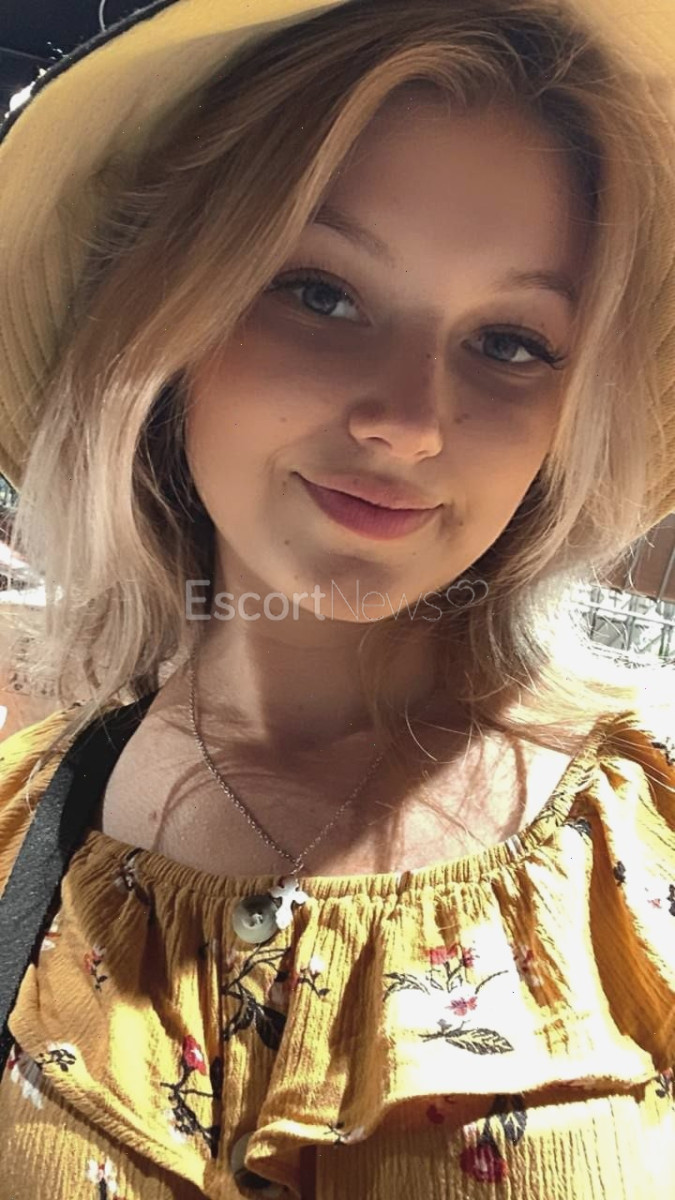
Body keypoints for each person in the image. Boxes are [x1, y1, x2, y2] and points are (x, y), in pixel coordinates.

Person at [0, 0, 674, 1195]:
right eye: (319, 292)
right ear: (166, 317)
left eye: (510, 343)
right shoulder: (21, 827)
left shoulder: (642, 840)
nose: (410, 423)